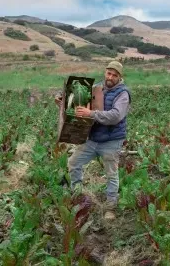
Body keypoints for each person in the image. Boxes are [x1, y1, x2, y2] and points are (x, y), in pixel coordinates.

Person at [55, 60, 131, 220]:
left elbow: (116, 116)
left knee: (111, 173)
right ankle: (78, 194)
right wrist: (63, 103)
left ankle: (111, 207)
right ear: (105, 72)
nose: (110, 77)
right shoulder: (96, 88)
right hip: (93, 138)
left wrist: (90, 114)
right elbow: (77, 107)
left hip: (111, 140)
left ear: (119, 77)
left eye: (114, 75)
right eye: (108, 73)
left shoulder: (123, 94)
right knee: (74, 163)